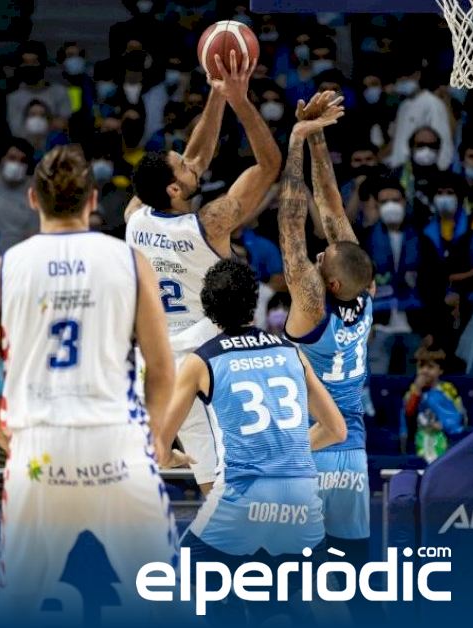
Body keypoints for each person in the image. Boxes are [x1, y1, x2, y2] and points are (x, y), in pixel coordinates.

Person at [0, 145, 177, 623]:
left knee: (18, 607)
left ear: (32, 199)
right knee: (163, 602)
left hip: (38, 446)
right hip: (116, 440)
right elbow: (163, 370)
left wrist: (13, 442)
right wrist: (154, 436)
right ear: (93, 199)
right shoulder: (130, 261)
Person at [154, 258, 347, 623]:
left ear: (209, 310)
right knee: (319, 601)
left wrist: (171, 457)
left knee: (173, 588)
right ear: (254, 302)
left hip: (242, 498)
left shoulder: (201, 361)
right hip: (299, 498)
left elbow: (160, 447)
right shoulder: (291, 352)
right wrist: (284, 450)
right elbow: (337, 429)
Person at [124, 50, 280, 494]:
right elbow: (269, 165)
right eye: (184, 169)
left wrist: (216, 96)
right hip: (203, 357)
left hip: (153, 362)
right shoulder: (210, 224)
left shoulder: (135, 216)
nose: (192, 165)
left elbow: (196, 156)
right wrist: (240, 100)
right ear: (175, 189)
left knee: (203, 473)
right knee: (227, 475)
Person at [278, 93, 377, 565]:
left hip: (308, 445)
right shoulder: (365, 291)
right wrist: (319, 134)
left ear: (330, 282)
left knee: (292, 573)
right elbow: (332, 207)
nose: (318, 255)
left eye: (322, 261)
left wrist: (296, 140)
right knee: (353, 570)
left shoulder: (312, 306)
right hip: (351, 449)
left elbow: (291, 223)